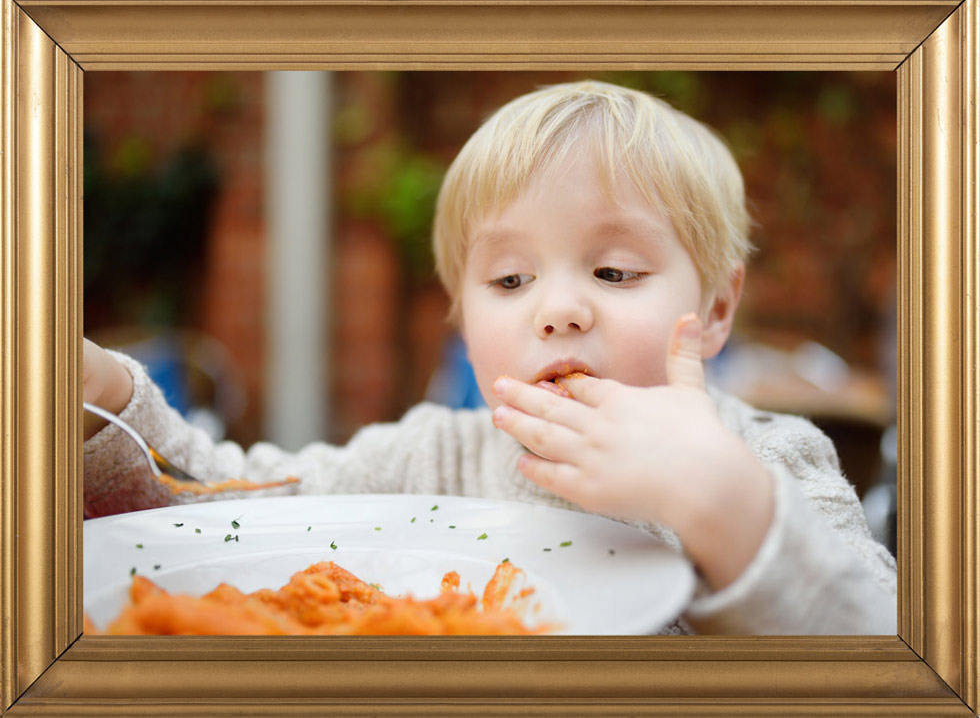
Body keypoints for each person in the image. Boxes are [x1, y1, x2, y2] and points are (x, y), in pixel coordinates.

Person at [83, 80, 896, 634]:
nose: (560, 308)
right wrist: (101, 393)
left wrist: (724, 504)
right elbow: (219, 505)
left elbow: (888, 643)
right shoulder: (430, 457)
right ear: (464, 322)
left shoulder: (769, 459)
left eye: (614, 272)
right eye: (510, 279)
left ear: (716, 308)